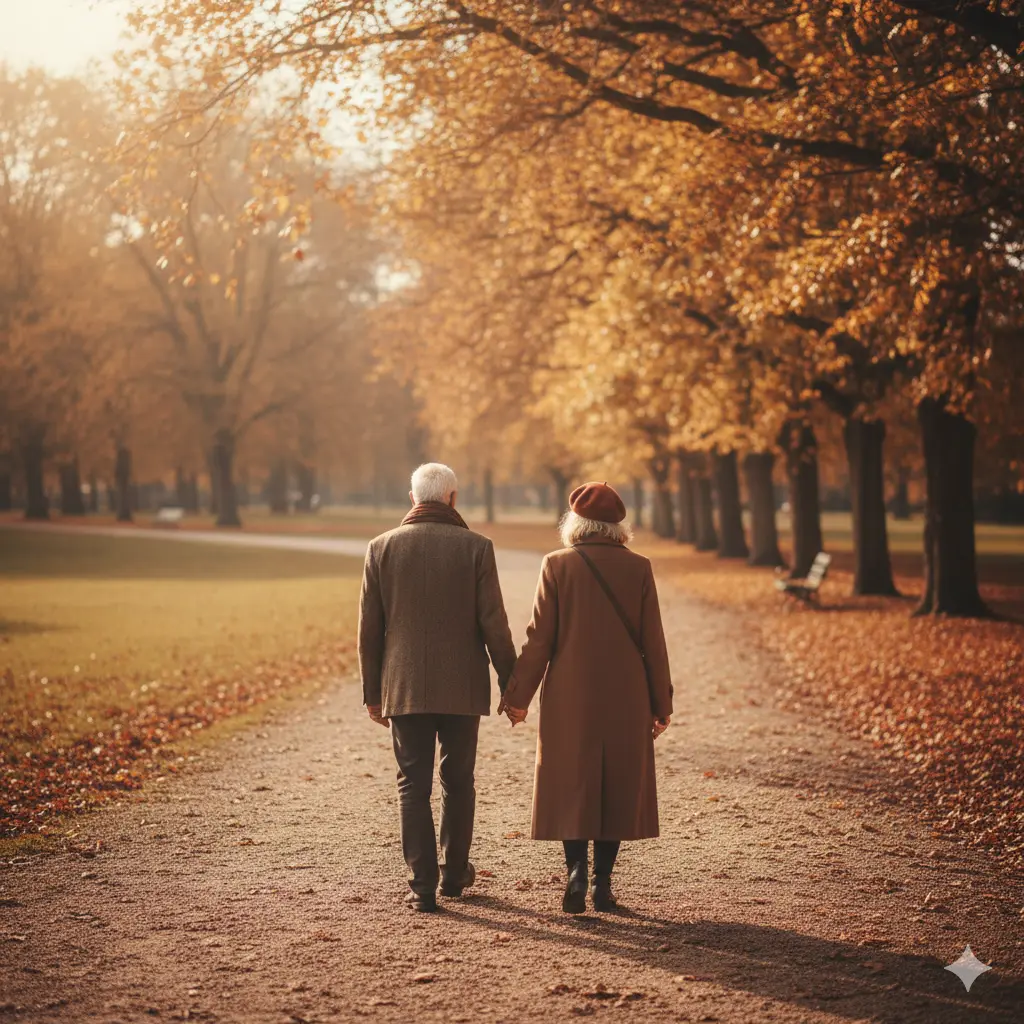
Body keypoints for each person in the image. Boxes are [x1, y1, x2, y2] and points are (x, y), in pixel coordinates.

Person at [499, 481, 673, 914]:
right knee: (615, 781)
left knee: (572, 779)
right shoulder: (639, 568)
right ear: (618, 526)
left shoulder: (557, 565)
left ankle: (575, 871)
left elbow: (539, 639)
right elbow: (654, 640)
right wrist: (661, 703)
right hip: (626, 692)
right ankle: (603, 885)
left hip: (570, 693)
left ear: (575, 523)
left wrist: (518, 696)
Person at [359, 462, 517, 912]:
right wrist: (511, 685)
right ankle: (454, 872)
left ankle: (422, 883)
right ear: (452, 498)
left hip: (404, 684)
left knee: (412, 783)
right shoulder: (476, 548)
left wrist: (373, 693)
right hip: (463, 683)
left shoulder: (381, 548)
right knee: (458, 779)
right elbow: (495, 625)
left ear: (413, 499)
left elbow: (370, 630)